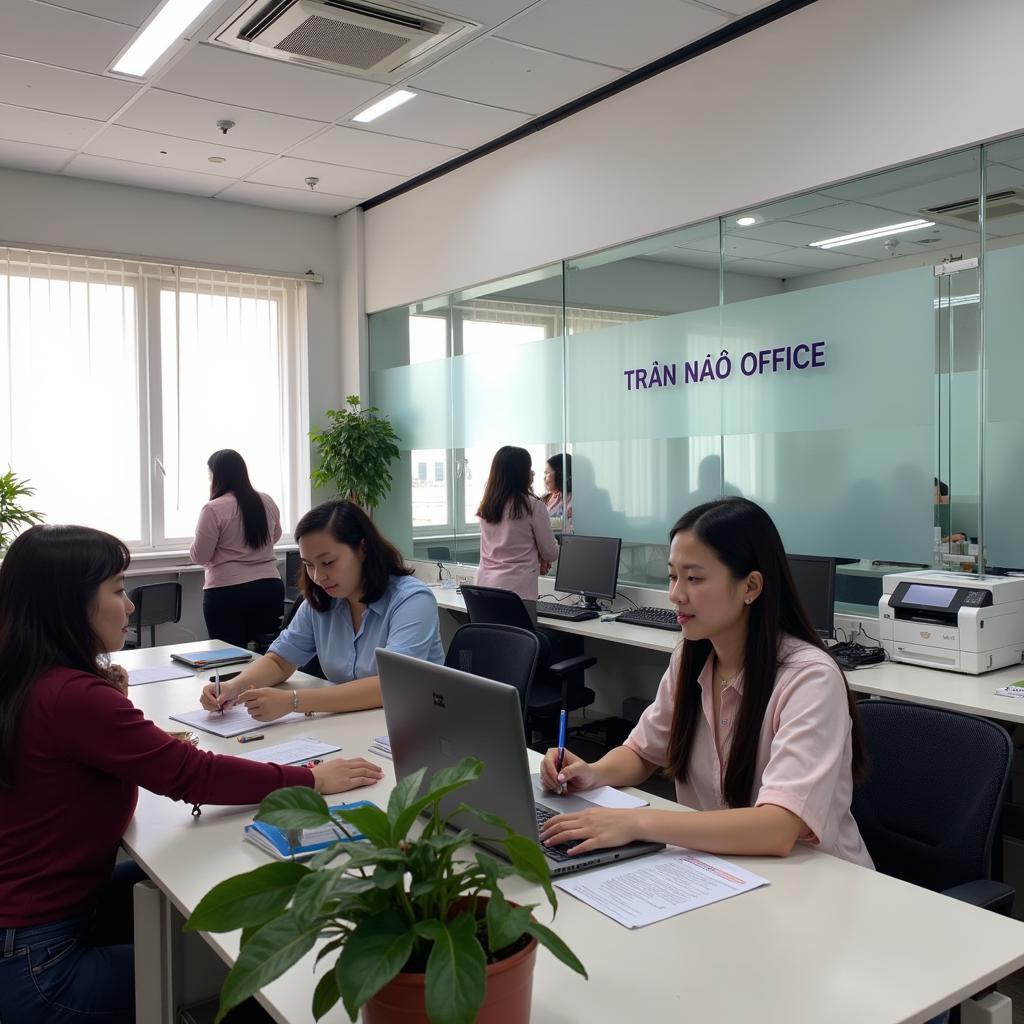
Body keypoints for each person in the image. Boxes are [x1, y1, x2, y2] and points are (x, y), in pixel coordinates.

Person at [0, 525, 382, 1024]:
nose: (130, 605)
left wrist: (111, 701)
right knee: (249, 969)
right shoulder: (71, 696)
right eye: (118, 590)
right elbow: (192, 776)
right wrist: (311, 779)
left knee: (201, 875)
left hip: (34, 928)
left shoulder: (31, 677)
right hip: (40, 967)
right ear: (69, 604)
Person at [538, 497, 872, 868]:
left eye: (694, 578)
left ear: (751, 586)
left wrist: (638, 822)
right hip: (723, 869)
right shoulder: (691, 657)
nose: (675, 594)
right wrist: (591, 773)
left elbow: (778, 827)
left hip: (816, 883)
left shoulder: (809, 679)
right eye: (672, 576)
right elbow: (642, 753)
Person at [202, 499, 443, 722]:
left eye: (327, 562)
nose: (318, 576)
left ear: (363, 549)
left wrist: (293, 701)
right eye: (308, 565)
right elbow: (280, 661)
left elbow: (391, 685)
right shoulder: (322, 599)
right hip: (352, 723)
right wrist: (234, 687)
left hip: (415, 726)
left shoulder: (411, 600)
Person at [189, 449, 284, 649]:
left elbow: (200, 556)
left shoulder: (213, 509)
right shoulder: (266, 501)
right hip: (269, 588)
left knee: (229, 656)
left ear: (217, 476)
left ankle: (233, 683)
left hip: (228, 592)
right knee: (269, 653)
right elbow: (275, 536)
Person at [475, 445, 560, 602]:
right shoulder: (533, 506)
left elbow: (509, 546)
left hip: (483, 590)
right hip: (516, 594)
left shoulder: (486, 506)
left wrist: (538, 555)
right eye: (529, 468)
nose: (533, 473)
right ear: (520, 473)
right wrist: (543, 555)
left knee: (489, 628)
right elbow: (551, 553)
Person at [542, 452, 573, 529]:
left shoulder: (574, 499)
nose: (544, 478)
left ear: (560, 474)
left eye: (547, 473)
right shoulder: (545, 498)